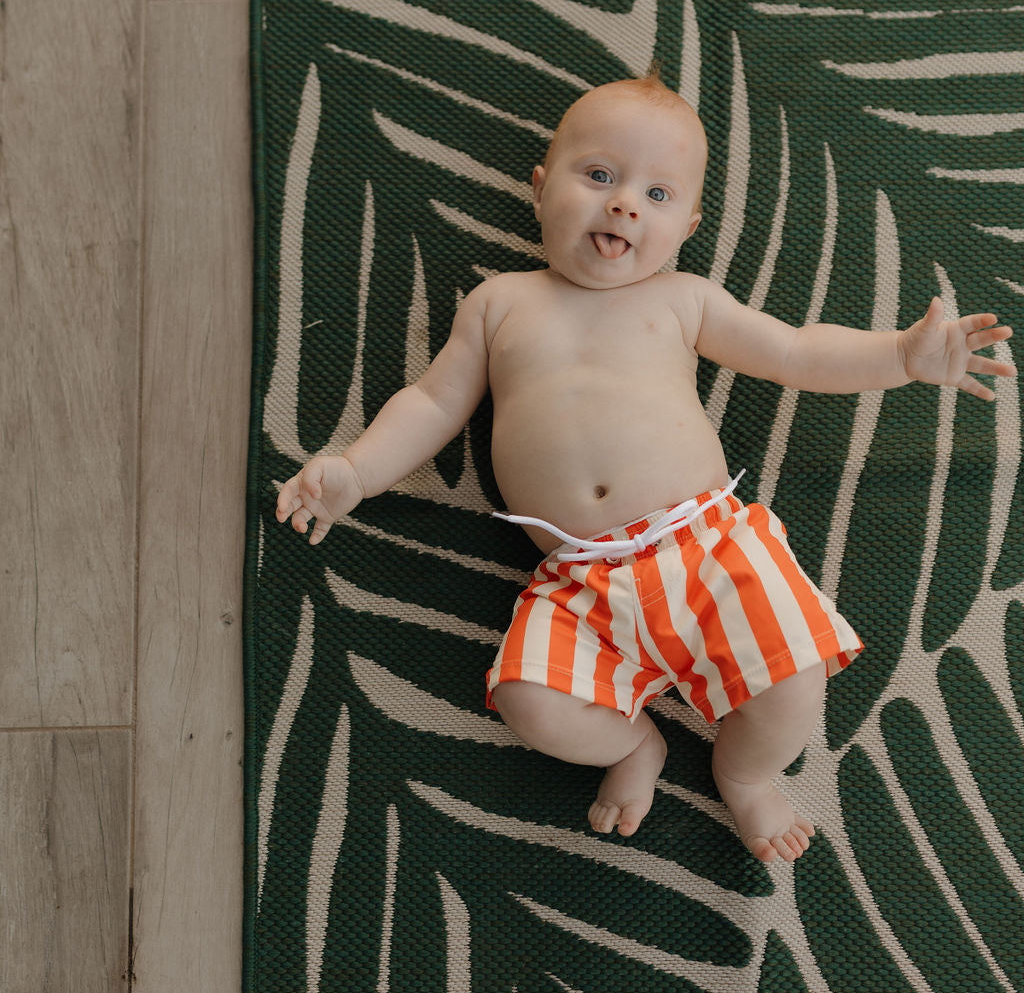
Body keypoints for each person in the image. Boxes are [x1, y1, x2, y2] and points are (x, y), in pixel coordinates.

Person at [274, 74, 1014, 864]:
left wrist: (899, 357)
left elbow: (795, 350)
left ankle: (747, 774)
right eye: (599, 176)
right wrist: (355, 472)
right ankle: (634, 745)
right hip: (581, 582)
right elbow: (430, 404)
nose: (625, 203)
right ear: (540, 187)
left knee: (795, 679)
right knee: (528, 701)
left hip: (708, 550)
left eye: (657, 194)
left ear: (687, 226)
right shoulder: (499, 304)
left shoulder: (682, 300)